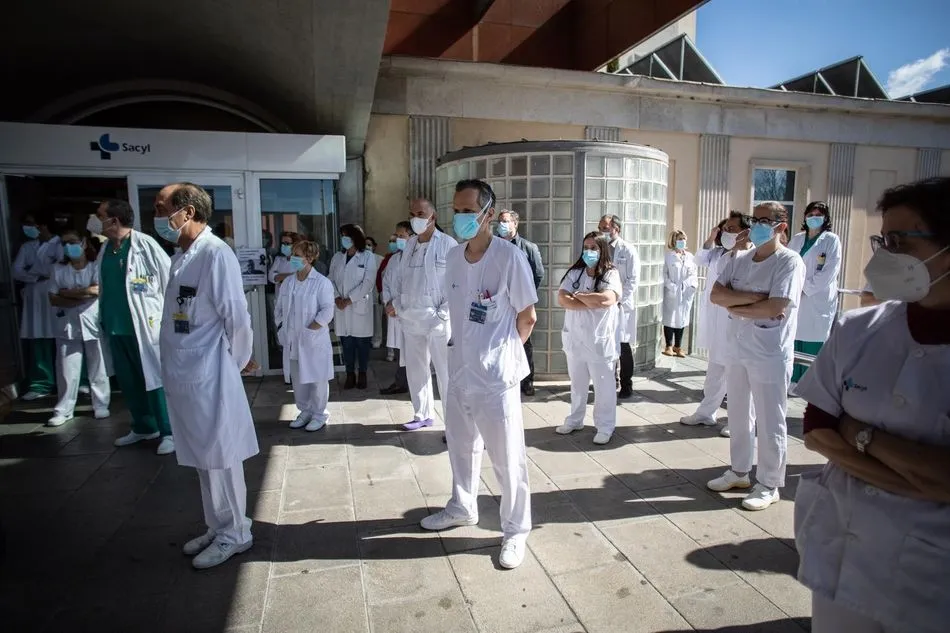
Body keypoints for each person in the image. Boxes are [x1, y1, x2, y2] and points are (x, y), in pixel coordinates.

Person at [794, 177, 950, 633]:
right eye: (884, 239)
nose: (884, 255)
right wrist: (921, 481)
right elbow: (818, 427)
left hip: (928, 575)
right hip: (841, 552)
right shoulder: (859, 328)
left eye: (901, 241)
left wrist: (859, 433)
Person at [420, 179, 538, 570]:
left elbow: (528, 316)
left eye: (469, 210)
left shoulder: (508, 258)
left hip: (496, 377)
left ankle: (516, 529)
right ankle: (462, 506)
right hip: (459, 371)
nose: (461, 217)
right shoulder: (453, 258)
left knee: (507, 457)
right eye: (456, 209)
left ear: (488, 213)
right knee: (460, 446)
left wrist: (503, 356)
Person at [154, 182, 258, 570]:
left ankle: (238, 533)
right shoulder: (182, 256)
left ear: (188, 212)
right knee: (202, 457)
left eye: (162, 207)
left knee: (223, 454)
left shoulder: (216, 255)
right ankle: (218, 525)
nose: (158, 216)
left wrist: (232, 367)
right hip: (185, 372)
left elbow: (238, 318)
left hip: (212, 374)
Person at [707, 201, 806, 511]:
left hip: (769, 352)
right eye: (756, 220)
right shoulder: (741, 258)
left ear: (781, 225)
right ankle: (739, 471)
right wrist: (752, 300)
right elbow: (716, 295)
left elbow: (776, 307)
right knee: (737, 412)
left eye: (765, 220)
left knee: (770, 418)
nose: (758, 226)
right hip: (738, 347)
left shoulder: (789, 262)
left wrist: (736, 307)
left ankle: (770, 482)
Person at [95, 200, 175, 455]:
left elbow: (169, 282)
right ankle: (143, 426)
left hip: (145, 327)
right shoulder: (106, 249)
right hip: (116, 328)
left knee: (154, 379)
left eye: (100, 217)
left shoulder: (145, 245)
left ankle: (169, 431)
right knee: (129, 382)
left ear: (114, 220)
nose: (97, 222)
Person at [681, 212, 752, 437]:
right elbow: (698, 259)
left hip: (737, 323)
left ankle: (738, 421)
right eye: (725, 229)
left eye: (732, 229)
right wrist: (712, 237)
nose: (727, 233)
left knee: (738, 377)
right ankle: (706, 412)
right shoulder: (719, 253)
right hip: (716, 320)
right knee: (715, 371)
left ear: (745, 231)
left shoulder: (752, 256)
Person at [387, 199, 457, 430]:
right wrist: (397, 304)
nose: (415, 218)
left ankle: (454, 426)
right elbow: (399, 280)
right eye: (412, 214)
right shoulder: (409, 245)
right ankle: (422, 415)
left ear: (432, 217)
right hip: (410, 319)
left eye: (420, 213)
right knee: (416, 370)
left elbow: (457, 283)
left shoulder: (448, 244)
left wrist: (443, 314)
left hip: (437, 320)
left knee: (446, 374)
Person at [556, 233, 622, 445]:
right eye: (586, 247)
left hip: (599, 341)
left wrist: (580, 296)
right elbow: (562, 298)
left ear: (602, 249)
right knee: (577, 384)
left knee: (604, 387)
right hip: (575, 339)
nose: (589, 251)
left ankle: (605, 426)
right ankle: (575, 419)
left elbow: (607, 299)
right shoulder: (575, 272)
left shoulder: (611, 274)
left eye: (594, 247)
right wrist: (588, 301)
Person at [46, 230, 110, 426]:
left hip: (92, 322)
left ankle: (100, 404)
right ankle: (64, 409)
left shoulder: (95, 265)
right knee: (66, 370)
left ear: (83, 243)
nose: (68, 247)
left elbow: (97, 291)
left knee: (98, 365)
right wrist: (84, 294)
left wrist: (69, 293)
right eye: (64, 243)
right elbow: (54, 298)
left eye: (72, 242)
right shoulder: (58, 269)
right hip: (67, 324)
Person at [275, 240, 335, 432]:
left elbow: (327, 311)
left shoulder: (322, 283)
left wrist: (310, 330)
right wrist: (280, 327)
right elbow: (279, 308)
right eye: (293, 254)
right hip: (292, 340)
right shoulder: (289, 282)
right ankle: (305, 411)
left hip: (313, 340)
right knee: (298, 379)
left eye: (297, 255)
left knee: (317, 379)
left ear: (309, 258)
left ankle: (320, 414)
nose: (293, 258)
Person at [787, 202, 842, 392]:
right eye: (810, 214)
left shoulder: (831, 240)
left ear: (826, 217)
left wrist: (805, 288)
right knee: (794, 336)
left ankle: (811, 383)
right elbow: (788, 264)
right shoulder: (797, 239)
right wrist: (792, 288)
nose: (814, 217)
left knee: (813, 340)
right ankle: (792, 380)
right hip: (795, 295)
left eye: (818, 214)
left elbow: (829, 271)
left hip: (817, 297)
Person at [14, 212, 62, 401]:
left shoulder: (60, 245)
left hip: (56, 296)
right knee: (39, 338)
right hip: (34, 296)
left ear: (43, 226)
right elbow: (16, 270)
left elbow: (57, 269)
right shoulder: (28, 247)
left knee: (63, 341)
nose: (28, 228)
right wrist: (34, 276)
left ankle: (72, 382)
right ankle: (41, 383)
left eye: (31, 224)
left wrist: (35, 271)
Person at [497, 210, 545, 396]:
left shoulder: (528, 247)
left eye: (506, 221)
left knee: (524, 342)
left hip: (521, 304)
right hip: (499, 303)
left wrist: (525, 296)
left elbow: (538, 273)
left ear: (515, 224)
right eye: (500, 221)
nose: (502, 224)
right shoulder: (493, 245)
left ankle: (527, 381)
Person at [328, 224, 378, 389]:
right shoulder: (337, 257)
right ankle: (350, 374)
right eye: (342, 235)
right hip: (341, 307)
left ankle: (362, 373)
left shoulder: (367, 256)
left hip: (358, 305)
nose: (344, 239)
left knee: (362, 344)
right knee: (346, 343)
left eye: (347, 236)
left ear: (356, 237)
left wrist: (349, 300)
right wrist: (336, 297)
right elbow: (330, 279)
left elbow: (368, 282)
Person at [597, 215, 639, 399]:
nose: (602, 231)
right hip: (604, 304)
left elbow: (633, 280)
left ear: (617, 228)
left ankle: (626, 384)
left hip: (621, 305)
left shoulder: (627, 250)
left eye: (605, 228)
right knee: (606, 344)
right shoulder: (599, 249)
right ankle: (609, 381)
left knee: (622, 346)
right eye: (600, 228)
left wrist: (618, 299)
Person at [379, 222, 413, 395]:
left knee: (411, 352)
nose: (398, 239)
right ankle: (401, 382)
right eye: (397, 235)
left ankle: (407, 383)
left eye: (401, 236)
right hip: (393, 310)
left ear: (411, 236)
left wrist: (396, 305)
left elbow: (413, 287)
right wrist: (387, 302)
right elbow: (386, 282)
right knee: (401, 351)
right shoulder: (393, 258)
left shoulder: (415, 258)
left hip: (408, 312)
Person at [268, 231, 302, 382]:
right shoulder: (279, 260)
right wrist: (286, 277)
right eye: (283, 243)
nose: (284, 246)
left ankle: (300, 374)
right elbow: (271, 276)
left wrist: (281, 277)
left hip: (297, 306)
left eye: (288, 243)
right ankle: (288, 376)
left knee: (298, 342)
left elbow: (300, 278)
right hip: (281, 305)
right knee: (285, 340)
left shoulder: (299, 261)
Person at [661, 230, 699, 358]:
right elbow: (664, 274)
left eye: (684, 239)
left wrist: (693, 286)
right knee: (670, 318)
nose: (682, 241)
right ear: (674, 241)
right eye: (680, 239)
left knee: (682, 319)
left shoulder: (690, 256)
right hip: (672, 291)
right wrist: (671, 286)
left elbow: (694, 274)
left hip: (686, 292)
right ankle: (668, 346)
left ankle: (678, 346)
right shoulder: (668, 256)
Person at [366, 236, 385, 349]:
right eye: (365, 244)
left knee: (377, 319)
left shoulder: (380, 259)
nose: (367, 247)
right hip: (364, 295)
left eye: (369, 244)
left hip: (376, 293)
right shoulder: (360, 258)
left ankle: (377, 339)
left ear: (374, 246)